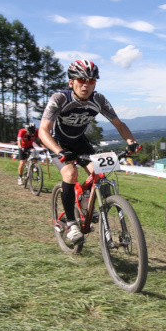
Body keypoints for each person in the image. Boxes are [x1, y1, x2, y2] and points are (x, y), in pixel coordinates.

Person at [39, 59, 140, 243]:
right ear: (71, 82)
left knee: (98, 174)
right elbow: (43, 130)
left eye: (91, 81)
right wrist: (59, 151)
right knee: (70, 173)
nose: (86, 85)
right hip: (59, 143)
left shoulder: (98, 100)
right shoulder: (60, 98)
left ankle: (87, 205)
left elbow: (119, 124)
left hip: (80, 142)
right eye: (81, 80)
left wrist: (131, 141)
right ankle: (71, 224)